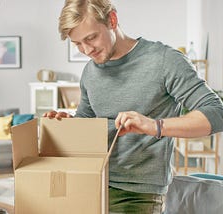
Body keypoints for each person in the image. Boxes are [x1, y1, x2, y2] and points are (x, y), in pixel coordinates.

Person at [43, 0, 223, 213]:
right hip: (91, 182)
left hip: (138, 193)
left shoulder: (164, 60)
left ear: (112, 19)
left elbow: (216, 113)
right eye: (78, 44)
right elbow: (88, 122)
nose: (86, 50)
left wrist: (153, 125)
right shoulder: (90, 72)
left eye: (91, 38)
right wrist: (67, 123)